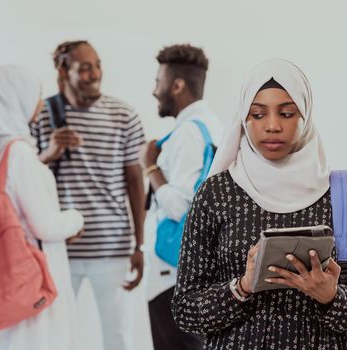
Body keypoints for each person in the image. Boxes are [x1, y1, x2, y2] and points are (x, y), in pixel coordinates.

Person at [172, 59, 347, 349]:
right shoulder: (216, 193)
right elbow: (185, 311)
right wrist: (242, 286)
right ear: (244, 118)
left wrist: (330, 296)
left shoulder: (343, 195)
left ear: (305, 115)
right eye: (257, 114)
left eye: (286, 113)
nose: (271, 126)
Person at [0, 65, 84, 350]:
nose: (40, 103)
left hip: (4, 278)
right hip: (31, 279)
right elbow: (46, 226)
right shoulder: (20, 154)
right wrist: (76, 218)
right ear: (13, 98)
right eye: (36, 94)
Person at [30, 40, 146, 350]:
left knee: (117, 335)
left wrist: (140, 244)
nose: (95, 74)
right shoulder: (42, 116)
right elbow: (23, 177)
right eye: (85, 68)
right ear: (63, 71)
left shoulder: (124, 115)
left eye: (97, 65)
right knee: (54, 336)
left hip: (112, 247)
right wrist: (49, 153)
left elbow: (135, 181)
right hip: (58, 249)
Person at [141, 44, 222, 350]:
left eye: (157, 82)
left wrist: (150, 165)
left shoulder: (188, 133)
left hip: (171, 273)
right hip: (196, 269)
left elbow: (181, 205)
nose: (154, 90)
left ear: (177, 85)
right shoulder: (214, 127)